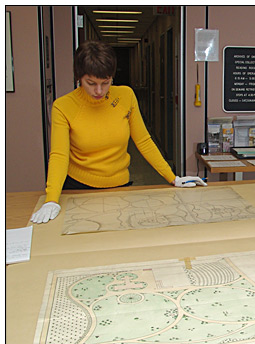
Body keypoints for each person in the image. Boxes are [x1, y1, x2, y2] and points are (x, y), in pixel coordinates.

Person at [31, 40, 206, 224]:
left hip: (119, 186)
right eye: (91, 83)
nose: (99, 90)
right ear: (78, 78)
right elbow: (59, 155)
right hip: (77, 188)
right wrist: (51, 199)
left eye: (105, 83)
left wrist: (173, 178)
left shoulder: (125, 96)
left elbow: (144, 141)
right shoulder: (63, 106)